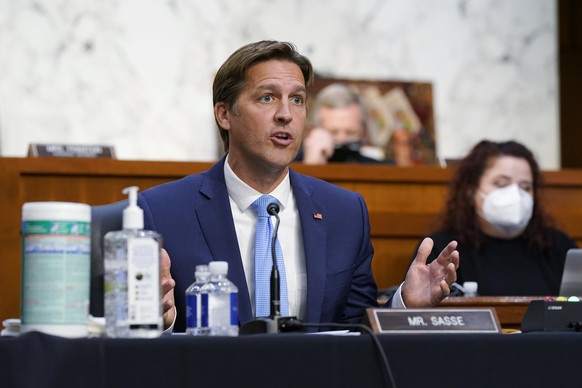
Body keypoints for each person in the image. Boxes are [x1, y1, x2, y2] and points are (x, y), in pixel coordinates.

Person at [142, 40, 459, 332]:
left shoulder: (345, 213)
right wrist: (162, 320)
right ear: (224, 114)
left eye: (297, 100)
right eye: (267, 98)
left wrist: (405, 305)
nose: (285, 115)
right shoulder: (162, 211)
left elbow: (355, 331)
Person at [416, 140, 577, 296]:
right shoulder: (443, 249)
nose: (515, 194)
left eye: (525, 187)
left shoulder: (558, 246)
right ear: (470, 191)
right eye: (501, 184)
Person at [299, 83, 384, 164]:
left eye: (351, 132)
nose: (342, 139)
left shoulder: (379, 170)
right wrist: (311, 166)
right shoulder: (288, 168)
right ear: (312, 131)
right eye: (333, 132)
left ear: (364, 133)